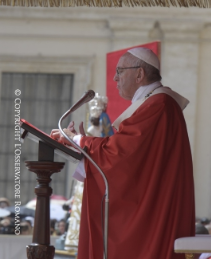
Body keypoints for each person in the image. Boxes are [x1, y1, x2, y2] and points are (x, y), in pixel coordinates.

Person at [51, 46, 195, 259]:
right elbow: (129, 153)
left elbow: (123, 155)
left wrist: (80, 141)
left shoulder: (159, 104)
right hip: (155, 203)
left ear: (139, 74)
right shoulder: (156, 103)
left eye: (120, 71)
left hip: (153, 212)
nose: (115, 78)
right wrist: (83, 144)